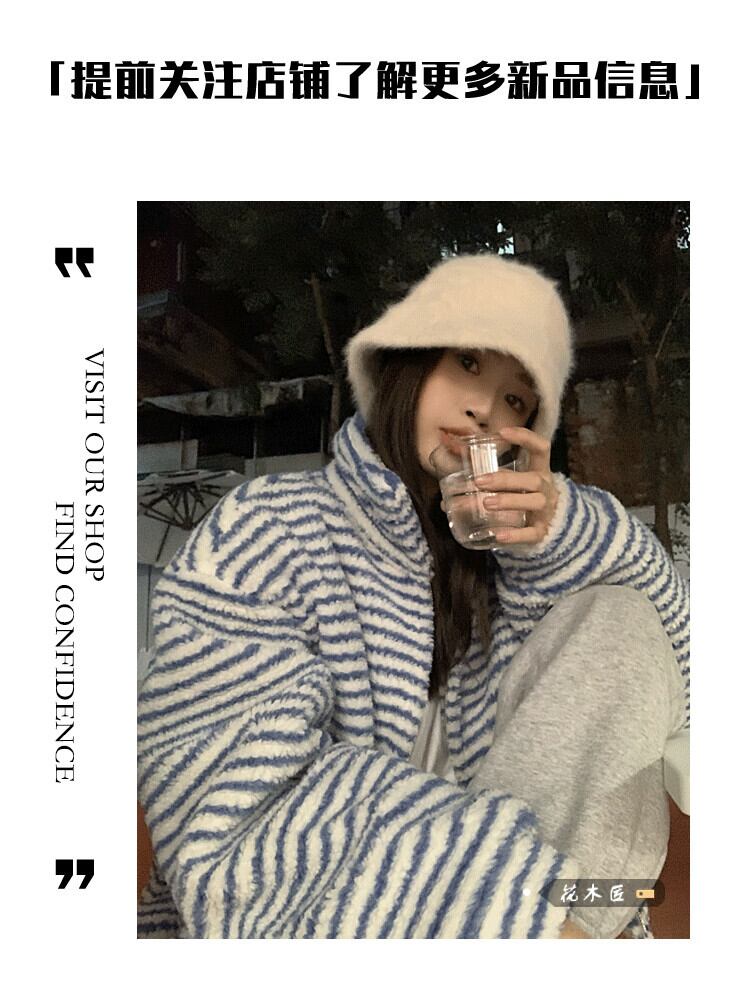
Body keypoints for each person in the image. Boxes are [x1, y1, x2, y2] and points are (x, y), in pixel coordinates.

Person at [137, 254, 689, 939]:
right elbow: (226, 796)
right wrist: (518, 925)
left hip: (551, 916)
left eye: (516, 400)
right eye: (467, 362)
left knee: (621, 617)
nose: (484, 408)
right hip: (319, 931)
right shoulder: (270, 524)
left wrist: (562, 530)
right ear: (410, 362)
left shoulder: (519, 573)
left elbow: (674, 666)